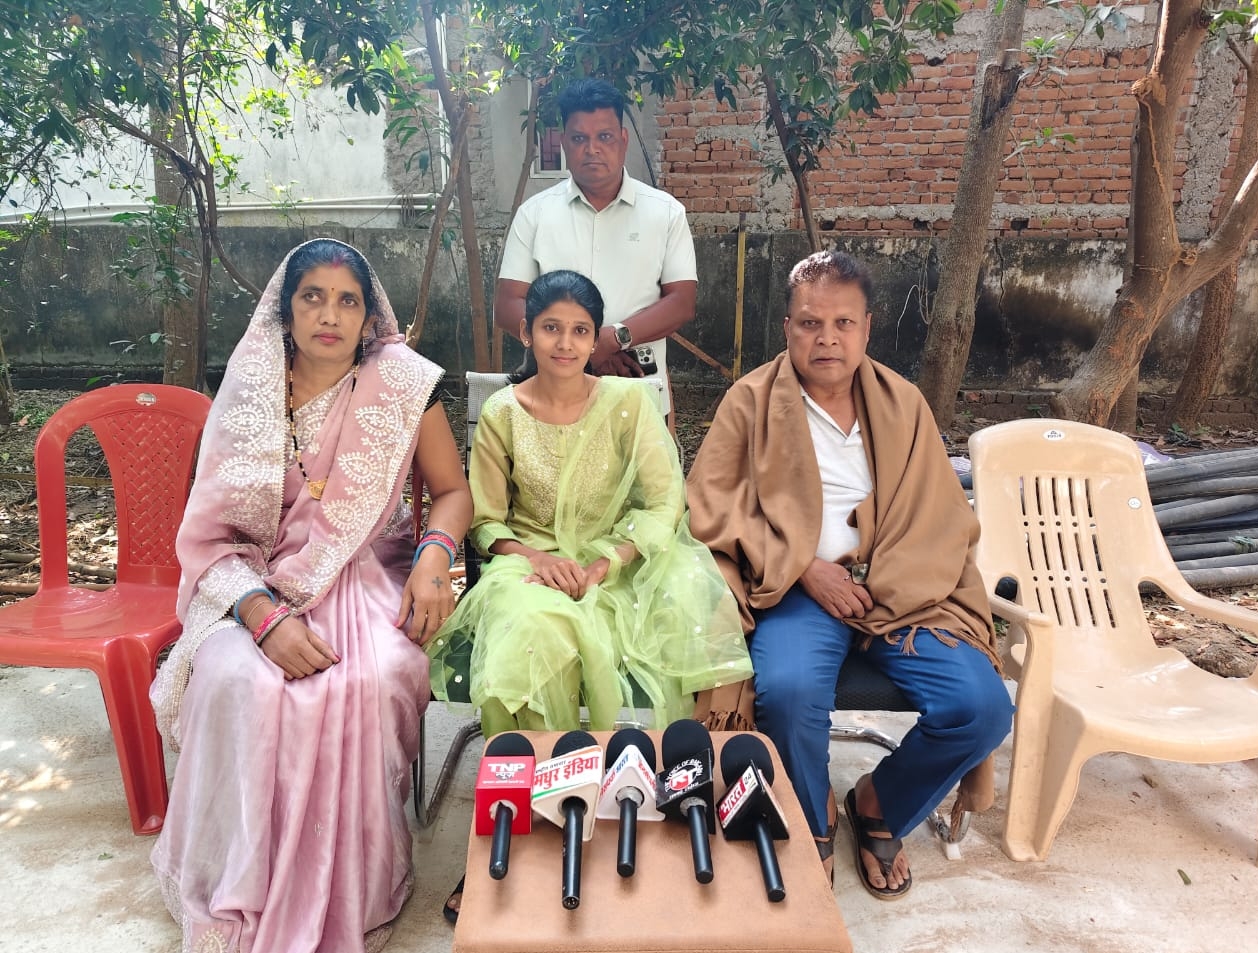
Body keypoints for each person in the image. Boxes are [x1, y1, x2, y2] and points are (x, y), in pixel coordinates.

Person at [149, 238, 473, 952]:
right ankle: (245, 882)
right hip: (255, 579)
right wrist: (263, 618)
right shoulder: (250, 388)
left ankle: (351, 885)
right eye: (313, 297)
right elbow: (212, 538)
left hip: (369, 572)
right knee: (238, 680)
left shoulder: (403, 384)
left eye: (347, 300)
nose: (330, 314)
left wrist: (434, 558)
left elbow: (453, 491)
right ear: (286, 309)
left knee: (372, 678)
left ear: (369, 316)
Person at [686, 250, 1013, 899]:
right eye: (810, 323)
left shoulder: (903, 403)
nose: (827, 338)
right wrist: (805, 568)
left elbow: (940, 515)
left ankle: (880, 803)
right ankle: (811, 818)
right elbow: (710, 505)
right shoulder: (750, 401)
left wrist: (884, 581)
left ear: (867, 327)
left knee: (981, 708)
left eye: (842, 323)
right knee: (787, 690)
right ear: (788, 327)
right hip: (796, 589)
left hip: (904, 591)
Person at [429, 268, 751, 924]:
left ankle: (596, 824)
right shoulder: (501, 413)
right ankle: (516, 828)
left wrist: (607, 562)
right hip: (526, 567)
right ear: (526, 332)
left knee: (658, 618)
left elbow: (663, 502)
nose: (566, 343)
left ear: (596, 337)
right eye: (551, 327)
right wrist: (536, 559)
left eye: (580, 330)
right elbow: (486, 521)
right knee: (525, 641)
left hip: (621, 567)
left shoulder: (628, 403)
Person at [494, 77, 697, 427]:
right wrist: (585, 350)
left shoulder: (665, 213)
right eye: (579, 139)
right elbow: (507, 306)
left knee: (644, 466)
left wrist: (615, 339)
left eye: (604, 137)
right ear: (563, 143)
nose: (592, 149)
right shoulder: (535, 214)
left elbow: (681, 302)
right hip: (554, 400)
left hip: (637, 393)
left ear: (623, 140)